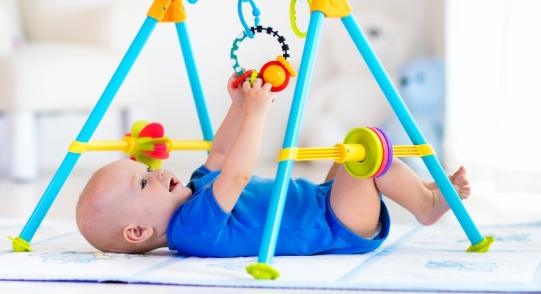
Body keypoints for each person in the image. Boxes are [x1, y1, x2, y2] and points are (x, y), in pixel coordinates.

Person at [76, 75, 471, 257]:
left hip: (323, 200)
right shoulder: (192, 227)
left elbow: (220, 157)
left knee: (354, 153)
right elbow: (238, 173)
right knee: (364, 151)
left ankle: (428, 191)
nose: (157, 172)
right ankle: (425, 206)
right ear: (138, 231)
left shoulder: (195, 195)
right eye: (145, 183)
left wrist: (236, 107)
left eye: (146, 170)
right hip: (335, 223)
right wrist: (257, 115)